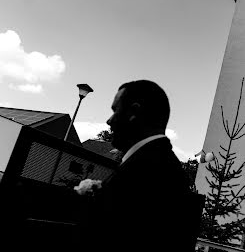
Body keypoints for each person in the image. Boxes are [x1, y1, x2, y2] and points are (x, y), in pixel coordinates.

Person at [83, 80, 199, 251]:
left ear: (134, 112)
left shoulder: (144, 171)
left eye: (115, 110)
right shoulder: (163, 164)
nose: (109, 121)